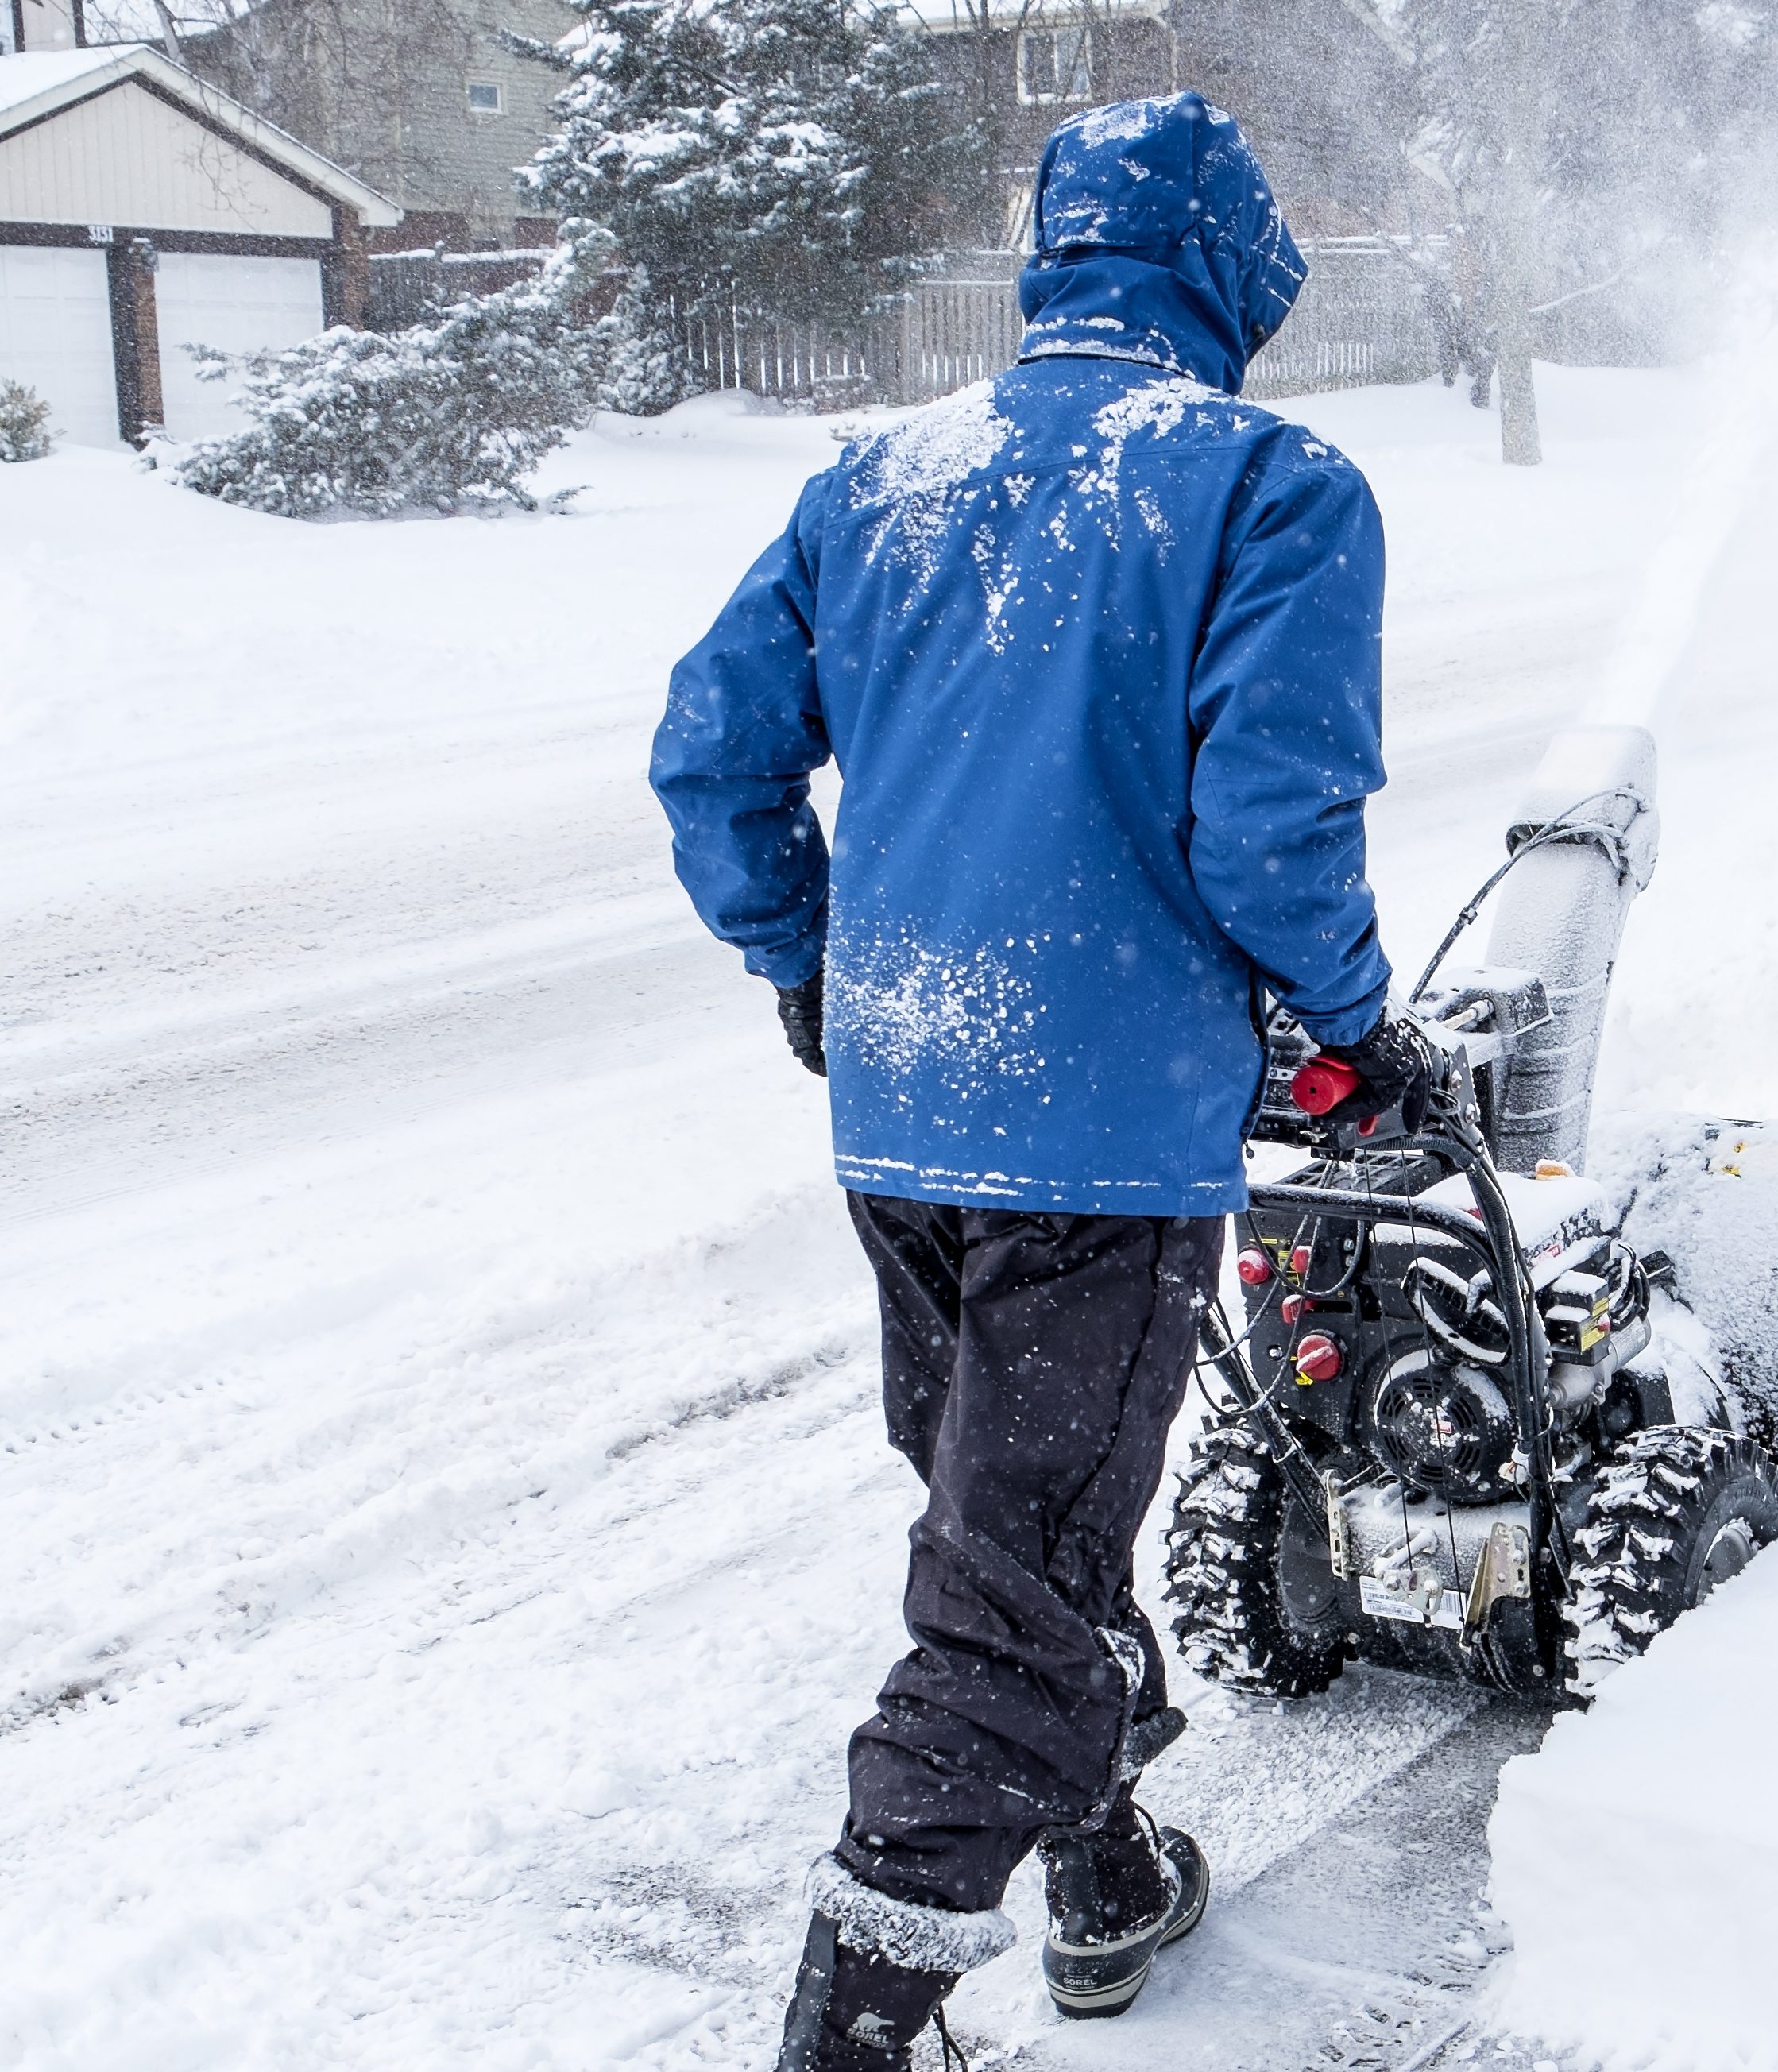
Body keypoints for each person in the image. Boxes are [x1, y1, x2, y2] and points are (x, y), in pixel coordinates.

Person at [651, 94, 1441, 2072]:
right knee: (1010, 1596)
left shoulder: (877, 477)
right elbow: (1271, 831)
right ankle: (853, 2033)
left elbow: (712, 760)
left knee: (1010, 1534)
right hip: (1098, 1137)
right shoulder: (1267, 482)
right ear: (1235, 273)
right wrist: (1351, 1031)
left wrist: (809, 959)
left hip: (903, 1111)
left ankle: (1098, 1876)